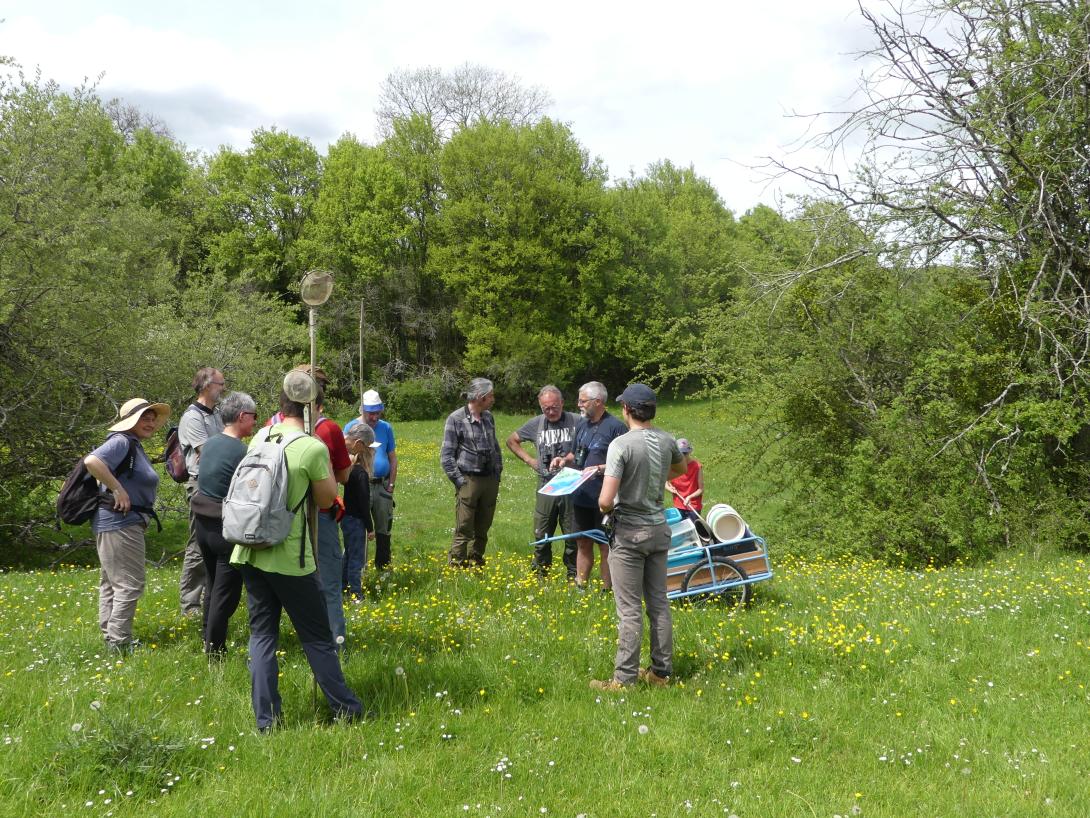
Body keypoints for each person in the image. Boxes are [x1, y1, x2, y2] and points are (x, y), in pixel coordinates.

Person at [230, 388, 363, 731]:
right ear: (312, 410)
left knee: (261, 636)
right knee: (317, 638)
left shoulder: (262, 435)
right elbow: (326, 498)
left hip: (249, 548)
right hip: (289, 556)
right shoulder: (311, 446)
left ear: (282, 406)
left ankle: (266, 721)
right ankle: (346, 710)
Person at [591, 383, 685, 692]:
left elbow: (605, 501)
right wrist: (650, 478)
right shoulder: (667, 439)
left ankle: (623, 680)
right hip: (659, 531)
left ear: (627, 410)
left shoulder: (621, 444)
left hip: (630, 534)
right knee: (659, 604)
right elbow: (679, 469)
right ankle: (660, 673)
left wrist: (615, 486)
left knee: (629, 611)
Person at [84, 397, 171, 652]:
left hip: (118, 523)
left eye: (153, 418)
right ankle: (120, 642)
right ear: (131, 420)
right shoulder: (121, 441)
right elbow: (92, 461)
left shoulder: (133, 445)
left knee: (112, 582)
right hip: (120, 522)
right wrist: (118, 489)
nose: (151, 422)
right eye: (145, 417)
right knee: (130, 584)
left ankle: (112, 636)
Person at [191, 391, 257, 656]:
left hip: (203, 525)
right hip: (224, 529)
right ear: (241, 416)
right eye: (253, 417)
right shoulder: (243, 451)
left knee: (212, 584)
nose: (254, 423)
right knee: (224, 594)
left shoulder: (211, 443)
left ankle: (207, 637)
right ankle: (215, 652)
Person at [506, 385, 578, 577]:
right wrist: (530, 460)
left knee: (573, 532)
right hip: (546, 484)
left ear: (562, 403)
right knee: (542, 531)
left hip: (572, 485)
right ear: (540, 406)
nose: (551, 411)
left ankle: (574, 575)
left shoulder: (577, 421)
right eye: (546, 408)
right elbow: (511, 440)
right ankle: (540, 573)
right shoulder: (536, 424)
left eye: (555, 407)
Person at [563, 381, 626, 591]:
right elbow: (576, 454)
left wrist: (600, 469)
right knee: (582, 542)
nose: (579, 405)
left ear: (598, 402)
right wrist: (563, 460)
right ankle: (581, 586)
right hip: (581, 495)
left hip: (604, 497)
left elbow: (627, 462)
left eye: (583, 401)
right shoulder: (582, 424)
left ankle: (607, 590)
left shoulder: (616, 427)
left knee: (605, 545)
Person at [177, 367, 226, 617]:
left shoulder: (215, 413)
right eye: (220, 383)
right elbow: (206, 452)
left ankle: (210, 597)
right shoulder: (192, 417)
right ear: (207, 385)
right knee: (198, 543)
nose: (223, 388)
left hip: (217, 484)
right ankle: (190, 605)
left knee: (215, 542)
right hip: (200, 485)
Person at [440, 377, 503, 568]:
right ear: (480, 397)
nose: (493, 399)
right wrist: (460, 482)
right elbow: (446, 456)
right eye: (490, 396)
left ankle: (476, 561)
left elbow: (495, 446)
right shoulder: (456, 419)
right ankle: (458, 564)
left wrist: (497, 472)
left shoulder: (488, 417)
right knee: (464, 526)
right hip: (469, 479)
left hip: (489, 479)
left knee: (483, 526)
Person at [311, 387, 352, 644]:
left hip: (283, 517)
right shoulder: (329, 429)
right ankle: (335, 640)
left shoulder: (272, 425)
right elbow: (344, 475)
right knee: (329, 583)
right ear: (320, 405)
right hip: (321, 513)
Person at [344, 389, 398, 571]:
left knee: (384, 529)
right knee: (360, 528)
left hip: (382, 485)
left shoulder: (386, 428)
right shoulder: (352, 427)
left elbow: (392, 457)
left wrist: (391, 485)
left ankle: (383, 566)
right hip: (361, 485)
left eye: (377, 413)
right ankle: (358, 568)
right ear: (363, 411)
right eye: (371, 413)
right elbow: (347, 456)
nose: (374, 417)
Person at [341, 423, 377, 598]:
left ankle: (343, 587)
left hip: (347, 518)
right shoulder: (361, 475)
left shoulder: (352, 471)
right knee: (356, 558)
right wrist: (370, 528)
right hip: (356, 521)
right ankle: (356, 593)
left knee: (348, 554)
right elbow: (364, 504)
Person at [665, 438, 704, 522]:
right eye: (680, 455)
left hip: (693, 506)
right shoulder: (673, 465)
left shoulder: (697, 466)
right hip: (678, 505)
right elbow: (665, 482)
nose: (683, 457)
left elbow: (700, 489)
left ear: (689, 452)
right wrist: (670, 489)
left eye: (685, 454)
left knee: (694, 530)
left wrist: (690, 497)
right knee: (681, 530)